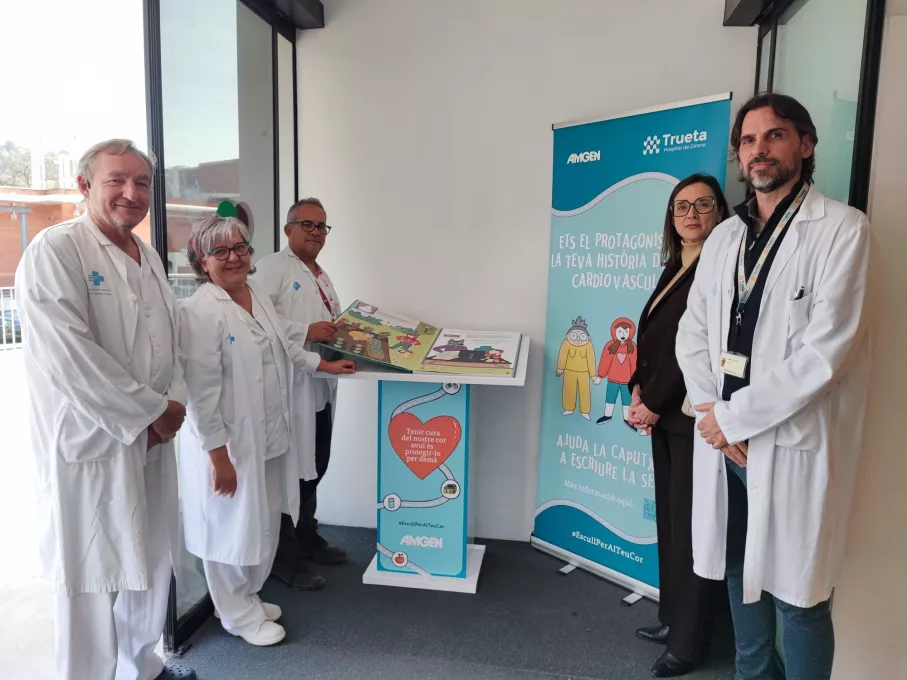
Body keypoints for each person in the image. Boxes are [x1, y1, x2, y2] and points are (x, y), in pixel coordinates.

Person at [676, 93, 871, 680]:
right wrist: (711, 410)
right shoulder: (724, 237)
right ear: (738, 156)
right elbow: (693, 328)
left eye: (775, 135)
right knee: (740, 574)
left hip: (787, 442)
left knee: (800, 597)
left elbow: (826, 354)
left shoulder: (841, 230)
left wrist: (733, 420)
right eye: (749, 140)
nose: (759, 149)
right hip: (725, 442)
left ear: (805, 145)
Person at [14, 139, 195, 680]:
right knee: (92, 576)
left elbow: (171, 342)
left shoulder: (150, 256)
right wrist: (151, 411)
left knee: (151, 562)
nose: (131, 193)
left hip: (153, 437)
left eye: (141, 183)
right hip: (91, 444)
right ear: (85, 185)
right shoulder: (57, 250)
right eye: (117, 180)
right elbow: (69, 355)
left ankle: (142, 666)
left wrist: (174, 404)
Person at [179, 214, 348, 645]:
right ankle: (235, 613)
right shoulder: (202, 311)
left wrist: (320, 363)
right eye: (220, 250)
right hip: (230, 443)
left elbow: (285, 344)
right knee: (230, 527)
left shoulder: (253, 292)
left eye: (240, 247)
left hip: (269, 433)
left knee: (264, 520)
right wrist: (217, 455)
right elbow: (200, 392)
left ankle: (246, 597)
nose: (233, 257)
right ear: (201, 260)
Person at [627, 174, 730, 677]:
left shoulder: (722, 266)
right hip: (665, 416)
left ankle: (689, 644)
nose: (691, 214)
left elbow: (689, 350)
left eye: (702, 205)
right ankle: (673, 617)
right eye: (681, 206)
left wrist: (655, 400)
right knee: (671, 523)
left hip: (693, 420)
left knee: (693, 531)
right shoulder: (677, 263)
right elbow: (653, 336)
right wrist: (634, 386)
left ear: (719, 211)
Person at [253, 198, 355, 590]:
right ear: (288, 229)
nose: (315, 232)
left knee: (317, 464)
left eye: (322, 227)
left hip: (321, 384)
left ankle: (307, 535)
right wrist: (305, 331)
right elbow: (256, 315)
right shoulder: (274, 267)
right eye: (307, 224)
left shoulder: (320, 274)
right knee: (292, 472)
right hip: (290, 387)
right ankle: (284, 557)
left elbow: (331, 321)